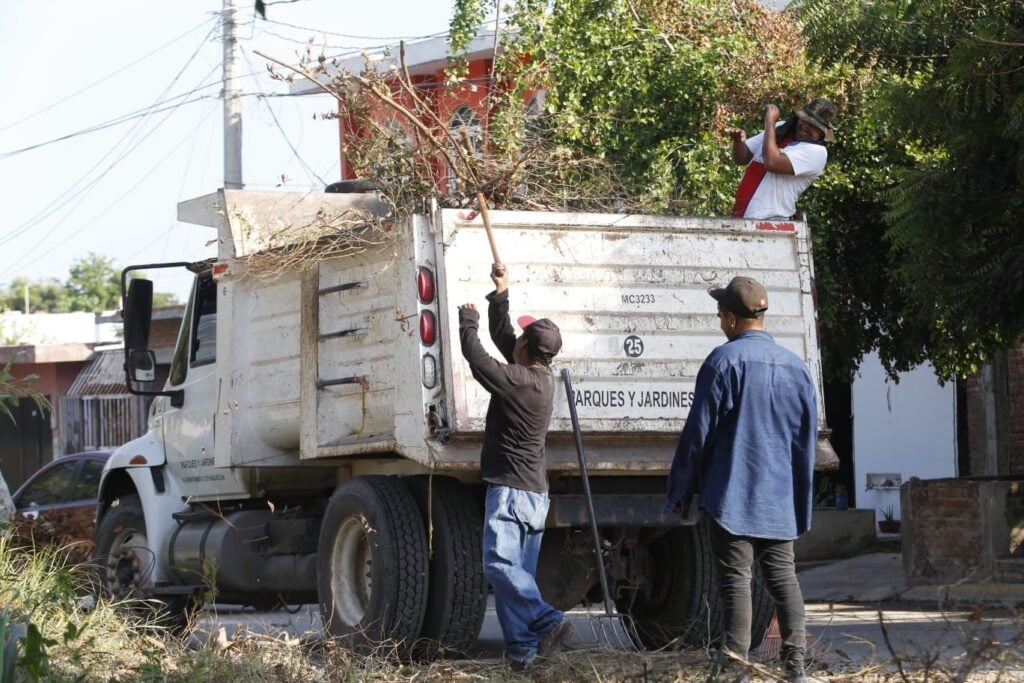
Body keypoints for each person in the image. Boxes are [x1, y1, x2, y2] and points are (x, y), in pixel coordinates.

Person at [664, 276, 818, 683]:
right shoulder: (796, 368)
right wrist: (800, 501)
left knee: (736, 582)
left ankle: (736, 670)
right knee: (784, 579)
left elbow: (698, 434)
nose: (719, 322)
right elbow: (806, 443)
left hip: (732, 495)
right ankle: (796, 669)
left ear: (731, 318)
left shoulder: (723, 362)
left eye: (719, 315)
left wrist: (681, 489)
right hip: (778, 498)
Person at [458, 263, 574, 671]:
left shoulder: (517, 381)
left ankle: (547, 621)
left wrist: (467, 321)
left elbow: (478, 359)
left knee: (498, 565)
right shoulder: (539, 378)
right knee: (513, 581)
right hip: (534, 494)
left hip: (509, 491)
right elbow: (503, 338)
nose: (515, 342)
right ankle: (522, 657)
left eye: (520, 340)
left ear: (526, 349)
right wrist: (500, 292)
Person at [728, 98, 837, 220]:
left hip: (772, 223)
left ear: (822, 132)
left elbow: (772, 163)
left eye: (814, 126)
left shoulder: (817, 153)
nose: (806, 127)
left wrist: (769, 122)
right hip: (740, 218)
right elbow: (742, 158)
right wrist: (738, 142)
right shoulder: (781, 129)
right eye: (805, 120)